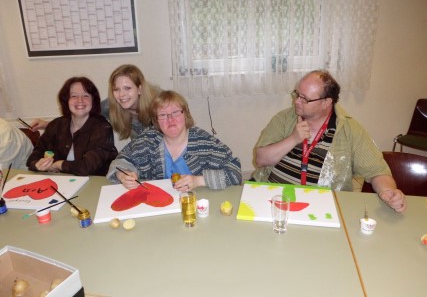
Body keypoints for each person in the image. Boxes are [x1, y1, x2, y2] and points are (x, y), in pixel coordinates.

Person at [253, 70, 407, 212]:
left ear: (326, 102)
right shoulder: (284, 119)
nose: (297, 102)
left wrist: (388, 192)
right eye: (297, 94)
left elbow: (377, 172)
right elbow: (260, 160)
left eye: (304, 98)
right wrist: (293, 139)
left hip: (320, 207)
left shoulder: (350, 131)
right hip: (273, 197)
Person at [107, 90, 242, 191]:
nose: (170, 120)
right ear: (156, 121)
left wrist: (198, 181)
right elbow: (120, 162)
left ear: (186, 114)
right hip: (158, 205)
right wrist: (123, 175)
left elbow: (235, 172)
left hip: (197, 204)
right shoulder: (148, 140)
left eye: (176, 112)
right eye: (163, 115)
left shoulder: (204, 142)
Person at [30, 64, 160, 141]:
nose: (121, 95)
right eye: (116, 89)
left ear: (139, 88)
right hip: (143, 158)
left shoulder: (159, 103)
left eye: (127, 88)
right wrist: (47, 124)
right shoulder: (111, 105)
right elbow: (82, 116)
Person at [27, 77, 118, 176]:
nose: (80, 100)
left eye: (86, 96)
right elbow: (33, 157)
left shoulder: (102, 128)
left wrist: (58, 164)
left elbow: (86, 167)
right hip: (62, 184)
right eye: (74, 96)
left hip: (96, 184)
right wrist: (37, 164)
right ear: (66, 100)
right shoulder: (56, 125)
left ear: (93, 100)